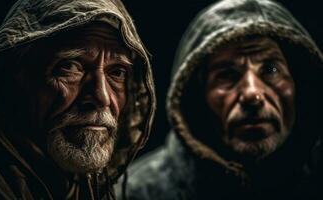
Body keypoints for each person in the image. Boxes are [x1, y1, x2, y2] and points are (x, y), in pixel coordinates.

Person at [120, 0, 323, 199]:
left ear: (301, 84)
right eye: (227, 75)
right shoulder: (133, 193)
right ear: (196, 96)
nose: (252, 94)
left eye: (271, 69)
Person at [0, 0, 155, 199]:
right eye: (70, 66)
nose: (102, 97)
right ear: (15, 76)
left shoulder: (85, 183)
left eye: (117, 72)